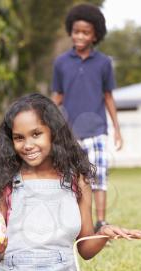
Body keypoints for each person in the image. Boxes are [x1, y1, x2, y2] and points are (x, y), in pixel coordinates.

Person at [0, 93, 141, 271]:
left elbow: (85, 249)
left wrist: (105, 232)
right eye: (19, 138)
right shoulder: (4, 183)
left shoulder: (76, 180)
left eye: (36, 134)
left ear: (53, 132)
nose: (27, 144)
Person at [51, 3, 123, 233]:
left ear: (95, 35)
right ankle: (81, 224)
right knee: (74, 180)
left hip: (98, 130)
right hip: (70, 133)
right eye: (76, 31)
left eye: (86, 32)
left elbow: (108, 97)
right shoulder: (61, 63)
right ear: (70, 31)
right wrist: (44, 120)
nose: (80, 36)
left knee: (99, 177)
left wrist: (117, 130)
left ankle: (101, 222)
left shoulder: (104, 63)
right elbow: (58, 96)